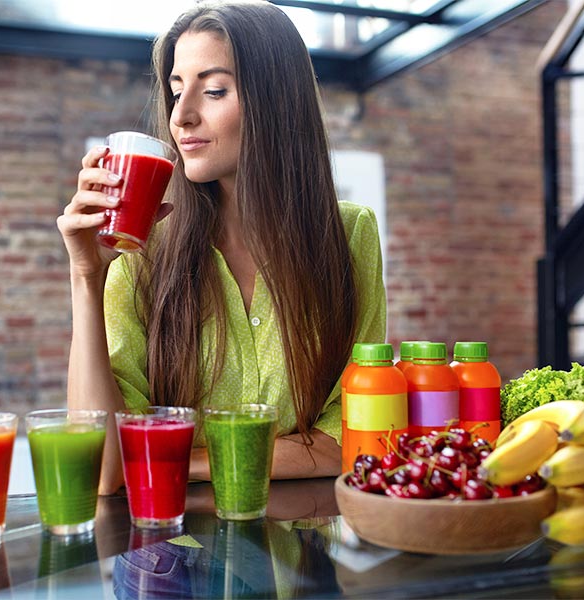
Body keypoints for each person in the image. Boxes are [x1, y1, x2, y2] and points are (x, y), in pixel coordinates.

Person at [57, 0, 386, 495]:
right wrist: (87, 277)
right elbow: (105, 468)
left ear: (276, 101)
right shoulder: (140, 252)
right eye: (175, 90)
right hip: (169, 558)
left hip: (300, 557)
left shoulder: (349, 234)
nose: (181, 116)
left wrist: (173, 461)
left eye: (213, 90)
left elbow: (356, 438)